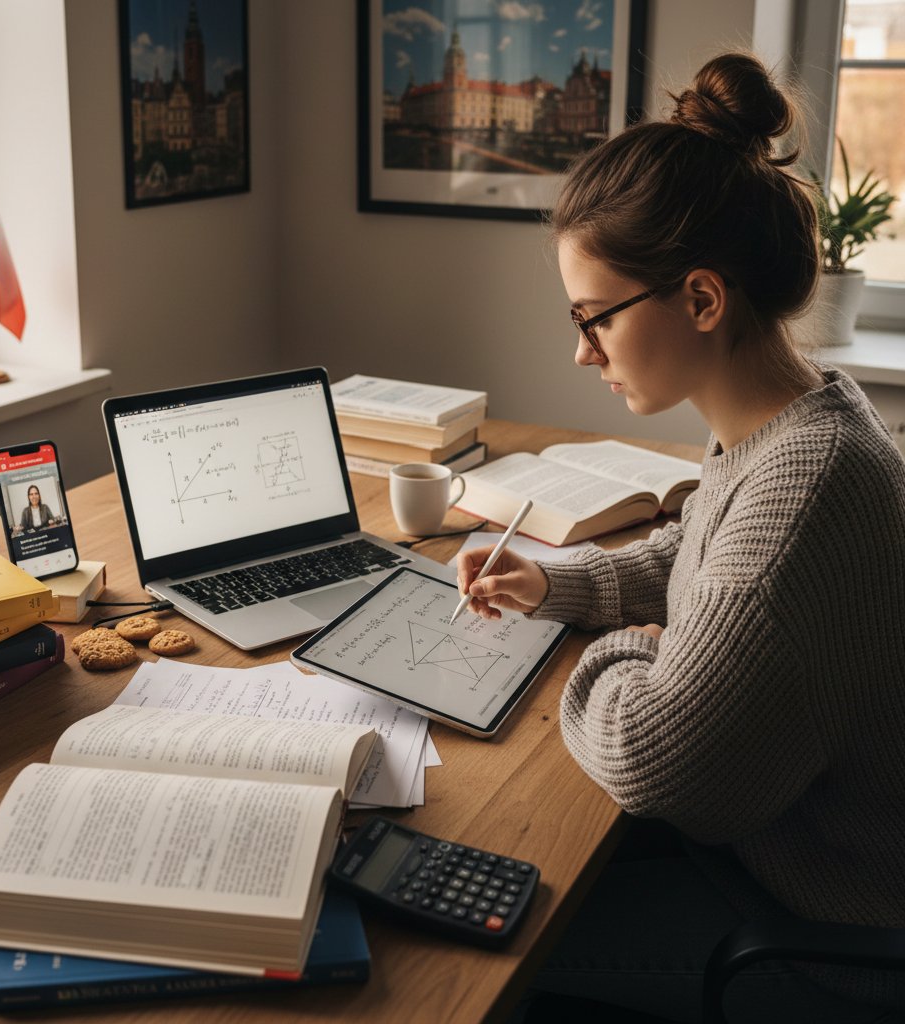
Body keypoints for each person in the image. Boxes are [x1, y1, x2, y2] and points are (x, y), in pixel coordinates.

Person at [457, 52, 905, 1024]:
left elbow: (664, 758)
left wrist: (633, 656)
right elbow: (701, 556)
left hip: (826, 946)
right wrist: (559, 584)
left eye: (595, 320)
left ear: (701, 300)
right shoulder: (800, 423)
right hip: (778, 863)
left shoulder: (802, 490)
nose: (580, 352)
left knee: (474, 952)